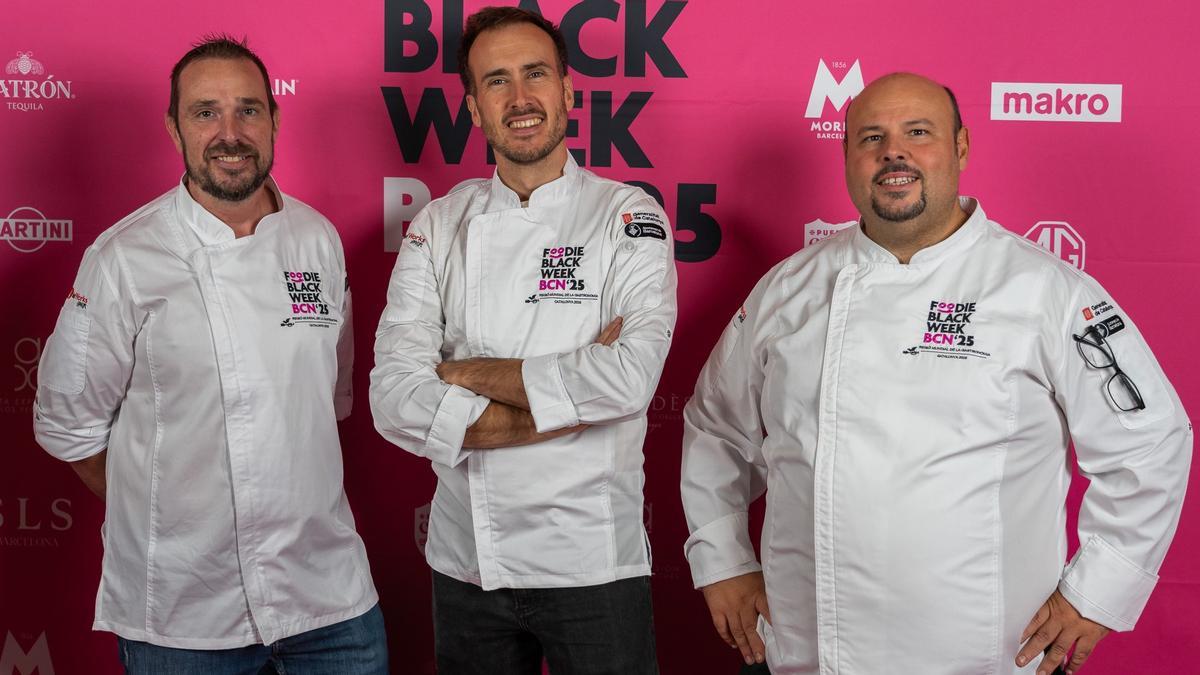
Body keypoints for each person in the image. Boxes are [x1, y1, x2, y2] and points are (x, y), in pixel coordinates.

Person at [680, 72, 1191, 675]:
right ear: (846, 157)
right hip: (810, 649)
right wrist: (724, 561)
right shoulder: (787, 290)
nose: (893, 152)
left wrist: (1097, 594)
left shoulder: (1043, 289)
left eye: (917, 132)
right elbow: (715, 428)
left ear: (961, 148)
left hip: (987, 652)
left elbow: (1151, 441)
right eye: (871, 137)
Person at [32, 36, 387, 674]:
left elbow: (326, 396)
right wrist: (165, 514)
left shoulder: (317, 240)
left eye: (249, 110)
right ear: (174, 129)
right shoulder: (124, 259)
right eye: (205, 113)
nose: (230, 132)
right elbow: (68, 423)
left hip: (330, 602)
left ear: (276, 121)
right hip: (183, 615)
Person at [369, 7, 675, 674]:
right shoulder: (440, 223)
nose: (520, 98)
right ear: (474, 107)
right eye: (496, 81)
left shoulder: (627, 214)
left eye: (535, 74)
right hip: (467, 562)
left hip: (594, 563)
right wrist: (569, 402)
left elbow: (627, 380)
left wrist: (461, 372)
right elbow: (393, 397)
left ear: (568, 91)